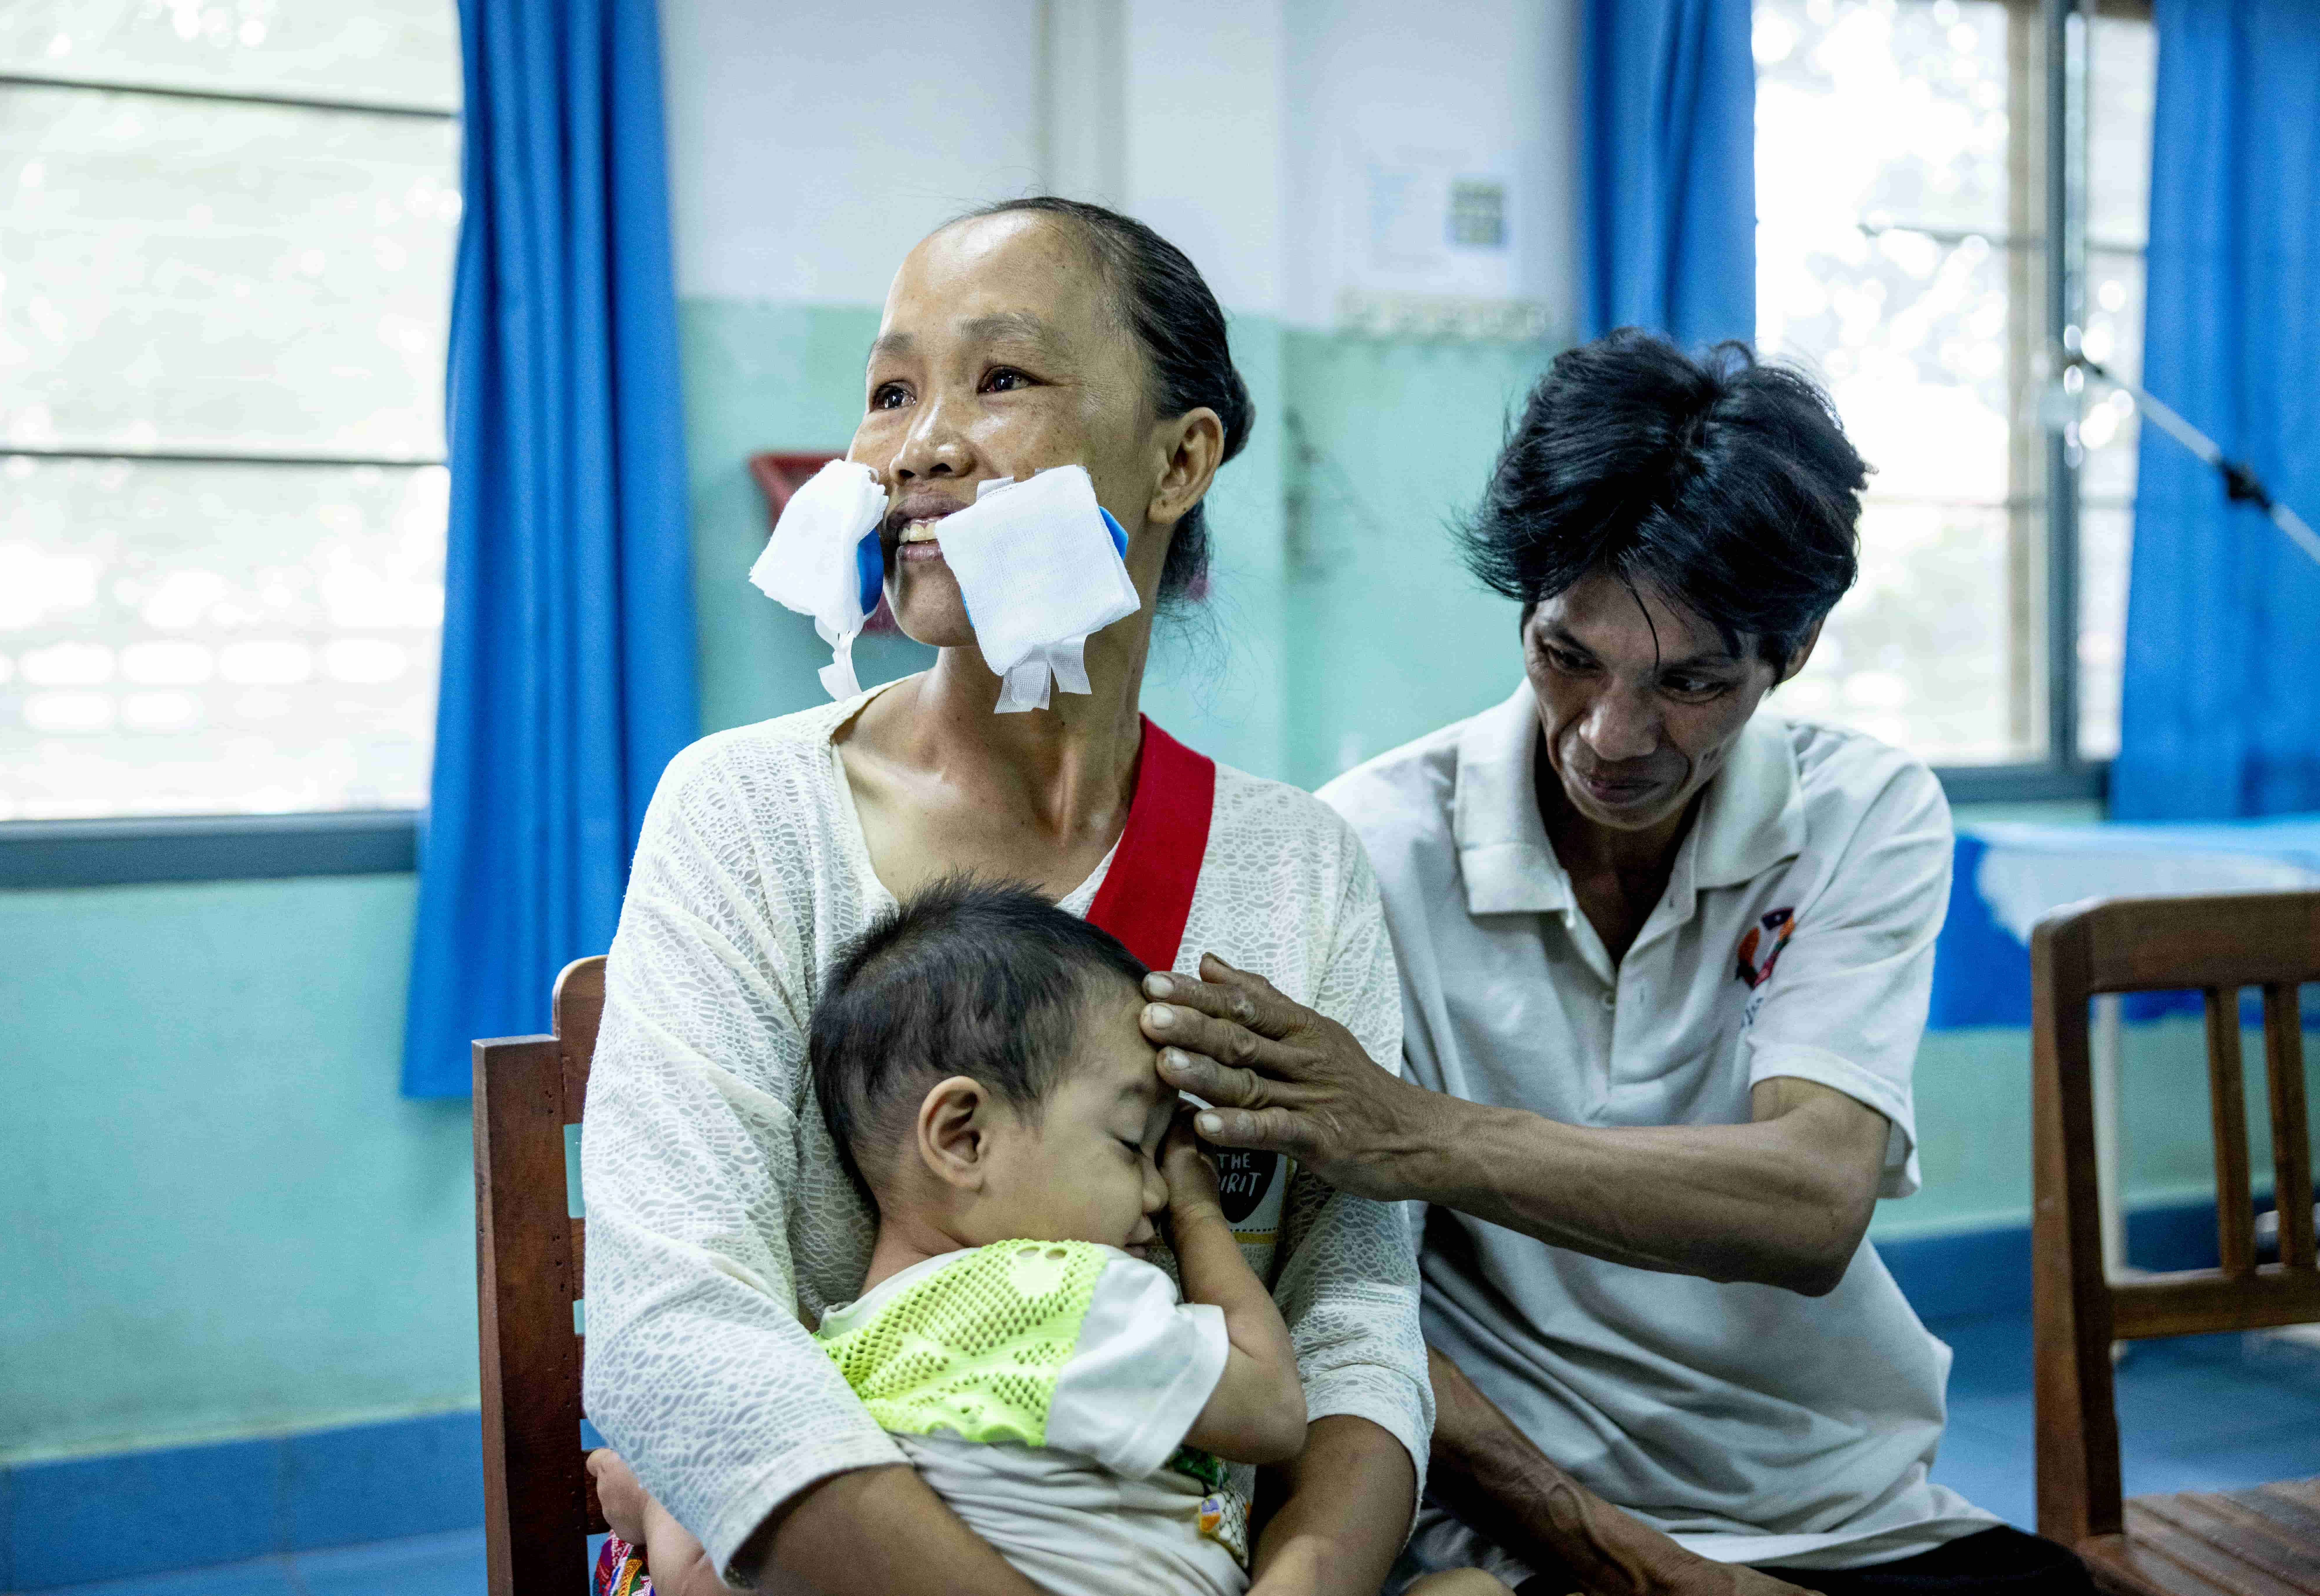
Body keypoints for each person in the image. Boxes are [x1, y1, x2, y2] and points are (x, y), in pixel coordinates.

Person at [1132, 333, 2098, 1594]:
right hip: (1514, 1521)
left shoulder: (1860, 812)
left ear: (1790, 654)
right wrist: (1627, 1558)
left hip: (1835, 1504)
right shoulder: (1367, 848)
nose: (1611, 736)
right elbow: (1348, 1309)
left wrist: (1408, 1130)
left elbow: (1810, 1202)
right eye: (1565, 656)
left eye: (1690, 682)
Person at [578, 198, 1435, 1596]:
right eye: (891, 392)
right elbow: (677, 1322)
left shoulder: (1295, 872)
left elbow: (1352, 1313)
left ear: (1180, 460)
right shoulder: (744, 816)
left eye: (1002, 380)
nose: (917, 448)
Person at [597, 881, 1506, 1596]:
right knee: (1466, 1589)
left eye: (1161, 1158)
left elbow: (700, 1581)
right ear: (963, 1138)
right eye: (1131, 1145)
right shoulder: (1061, 1295)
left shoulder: (839, 1362)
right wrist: (1200, 1211)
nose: (1150, 1189)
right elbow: (1270, 1411)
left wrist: (656, 1495)